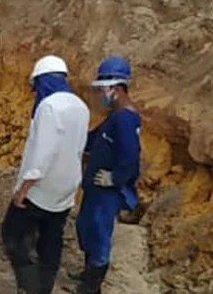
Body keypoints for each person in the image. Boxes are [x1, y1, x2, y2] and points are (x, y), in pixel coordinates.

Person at [1, 55, 90, 294]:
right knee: (50, 243)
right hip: (66, 190)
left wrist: (24, 188)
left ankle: (30, 288)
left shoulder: (49, 107)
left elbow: (43, 152)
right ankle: (43, 288)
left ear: (42, 82)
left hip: (39, 189)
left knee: (12, 235)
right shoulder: (81, 106)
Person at [73, 56, 141, 294]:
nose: (100, 95)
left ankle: (92, 287)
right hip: (95, 188)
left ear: (117, 90)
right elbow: (94, 139)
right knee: (87, 228)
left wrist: (115, 179)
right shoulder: (114, 117)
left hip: (107, 192)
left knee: (99, 234)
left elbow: (131, 159)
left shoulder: (125, 120)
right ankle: (87, 273)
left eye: (103, 90)